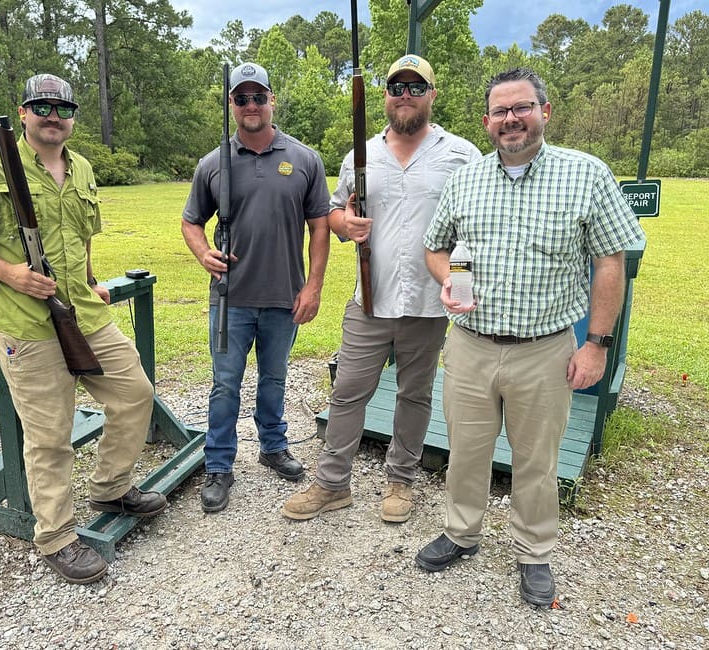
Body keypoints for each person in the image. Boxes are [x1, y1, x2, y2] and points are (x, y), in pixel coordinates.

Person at [418, 68, 645, 606]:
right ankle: (460, 532)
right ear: (487, 122)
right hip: (471, 345)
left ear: (546, 111)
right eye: (501, 111)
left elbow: (610, 260)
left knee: (537, 461)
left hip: (545, 349)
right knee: (465, 450)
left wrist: (597, 344)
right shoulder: (467, 178)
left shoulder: (587, 174)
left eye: (522, 107)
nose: (511, 119)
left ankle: (534, 552)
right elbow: (434, 246)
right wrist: (447, 278)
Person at [0, 74, 166, 585]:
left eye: (63, 107)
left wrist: (88, 280)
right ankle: (57, 536)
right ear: (23, 113)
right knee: (50, 436)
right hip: (25, 324)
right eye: (41, 106)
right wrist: (11, 273)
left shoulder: (81, 167)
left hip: (84, 312)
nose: (53, 115)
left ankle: (110, 487)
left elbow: (81, 237)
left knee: (135, 392)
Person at [282, 55, 481, 523]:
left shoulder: (462, 155)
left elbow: (473, 228)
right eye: (396, 87)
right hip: (369, 299)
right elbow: (332, 213)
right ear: (385, 96)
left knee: (415, 393)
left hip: (431, 302)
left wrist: (463, 283)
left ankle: (401, 480)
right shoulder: (360, 154)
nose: (405, 96)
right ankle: (332, 484)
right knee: (349, 391)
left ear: (433, 95)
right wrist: (344, 224)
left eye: (416, 88)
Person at [182, 62, 330, 513]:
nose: (250, 105)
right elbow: (191, 222)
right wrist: (203, 252)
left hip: (285, 296)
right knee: (225, 384)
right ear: (231, 105)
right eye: (241, 98)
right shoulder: (213, 163)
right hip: (231, 300)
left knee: (274, 378)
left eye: (258, 96)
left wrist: (313, 286)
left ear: (271, 100)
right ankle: (219, 466)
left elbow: (320, 227)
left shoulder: (304, 159)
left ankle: (272, 445)